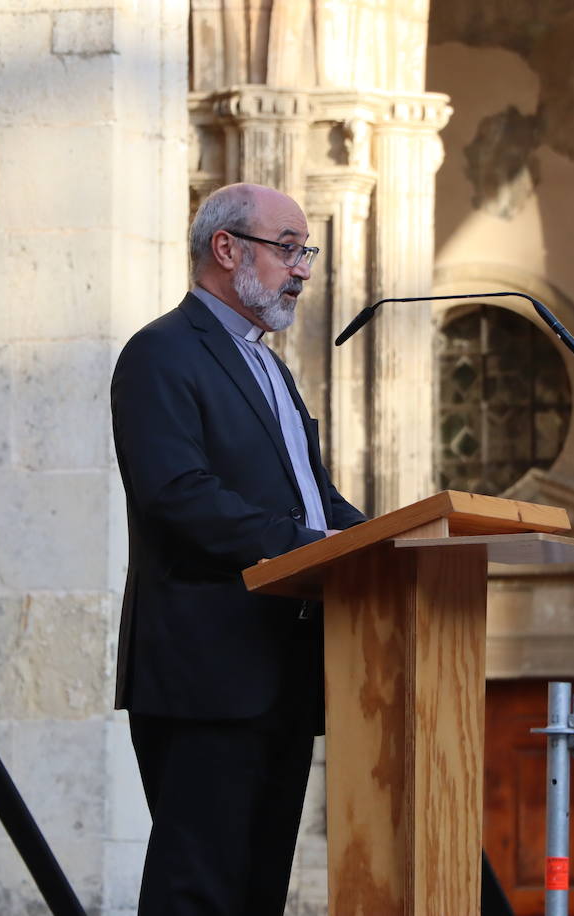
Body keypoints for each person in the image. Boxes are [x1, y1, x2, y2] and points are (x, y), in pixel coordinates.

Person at [110, 182, 367, 915]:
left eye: (304, 251)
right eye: (289, 248)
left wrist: (385, 541)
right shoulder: (161, 353)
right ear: (227, 249)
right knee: (197, 890)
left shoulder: (269, 367)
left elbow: (314, 500)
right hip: (206, 674)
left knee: (256, 893)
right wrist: (307, 546)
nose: (304, 269)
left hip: (281, 672)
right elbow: (177, 493)